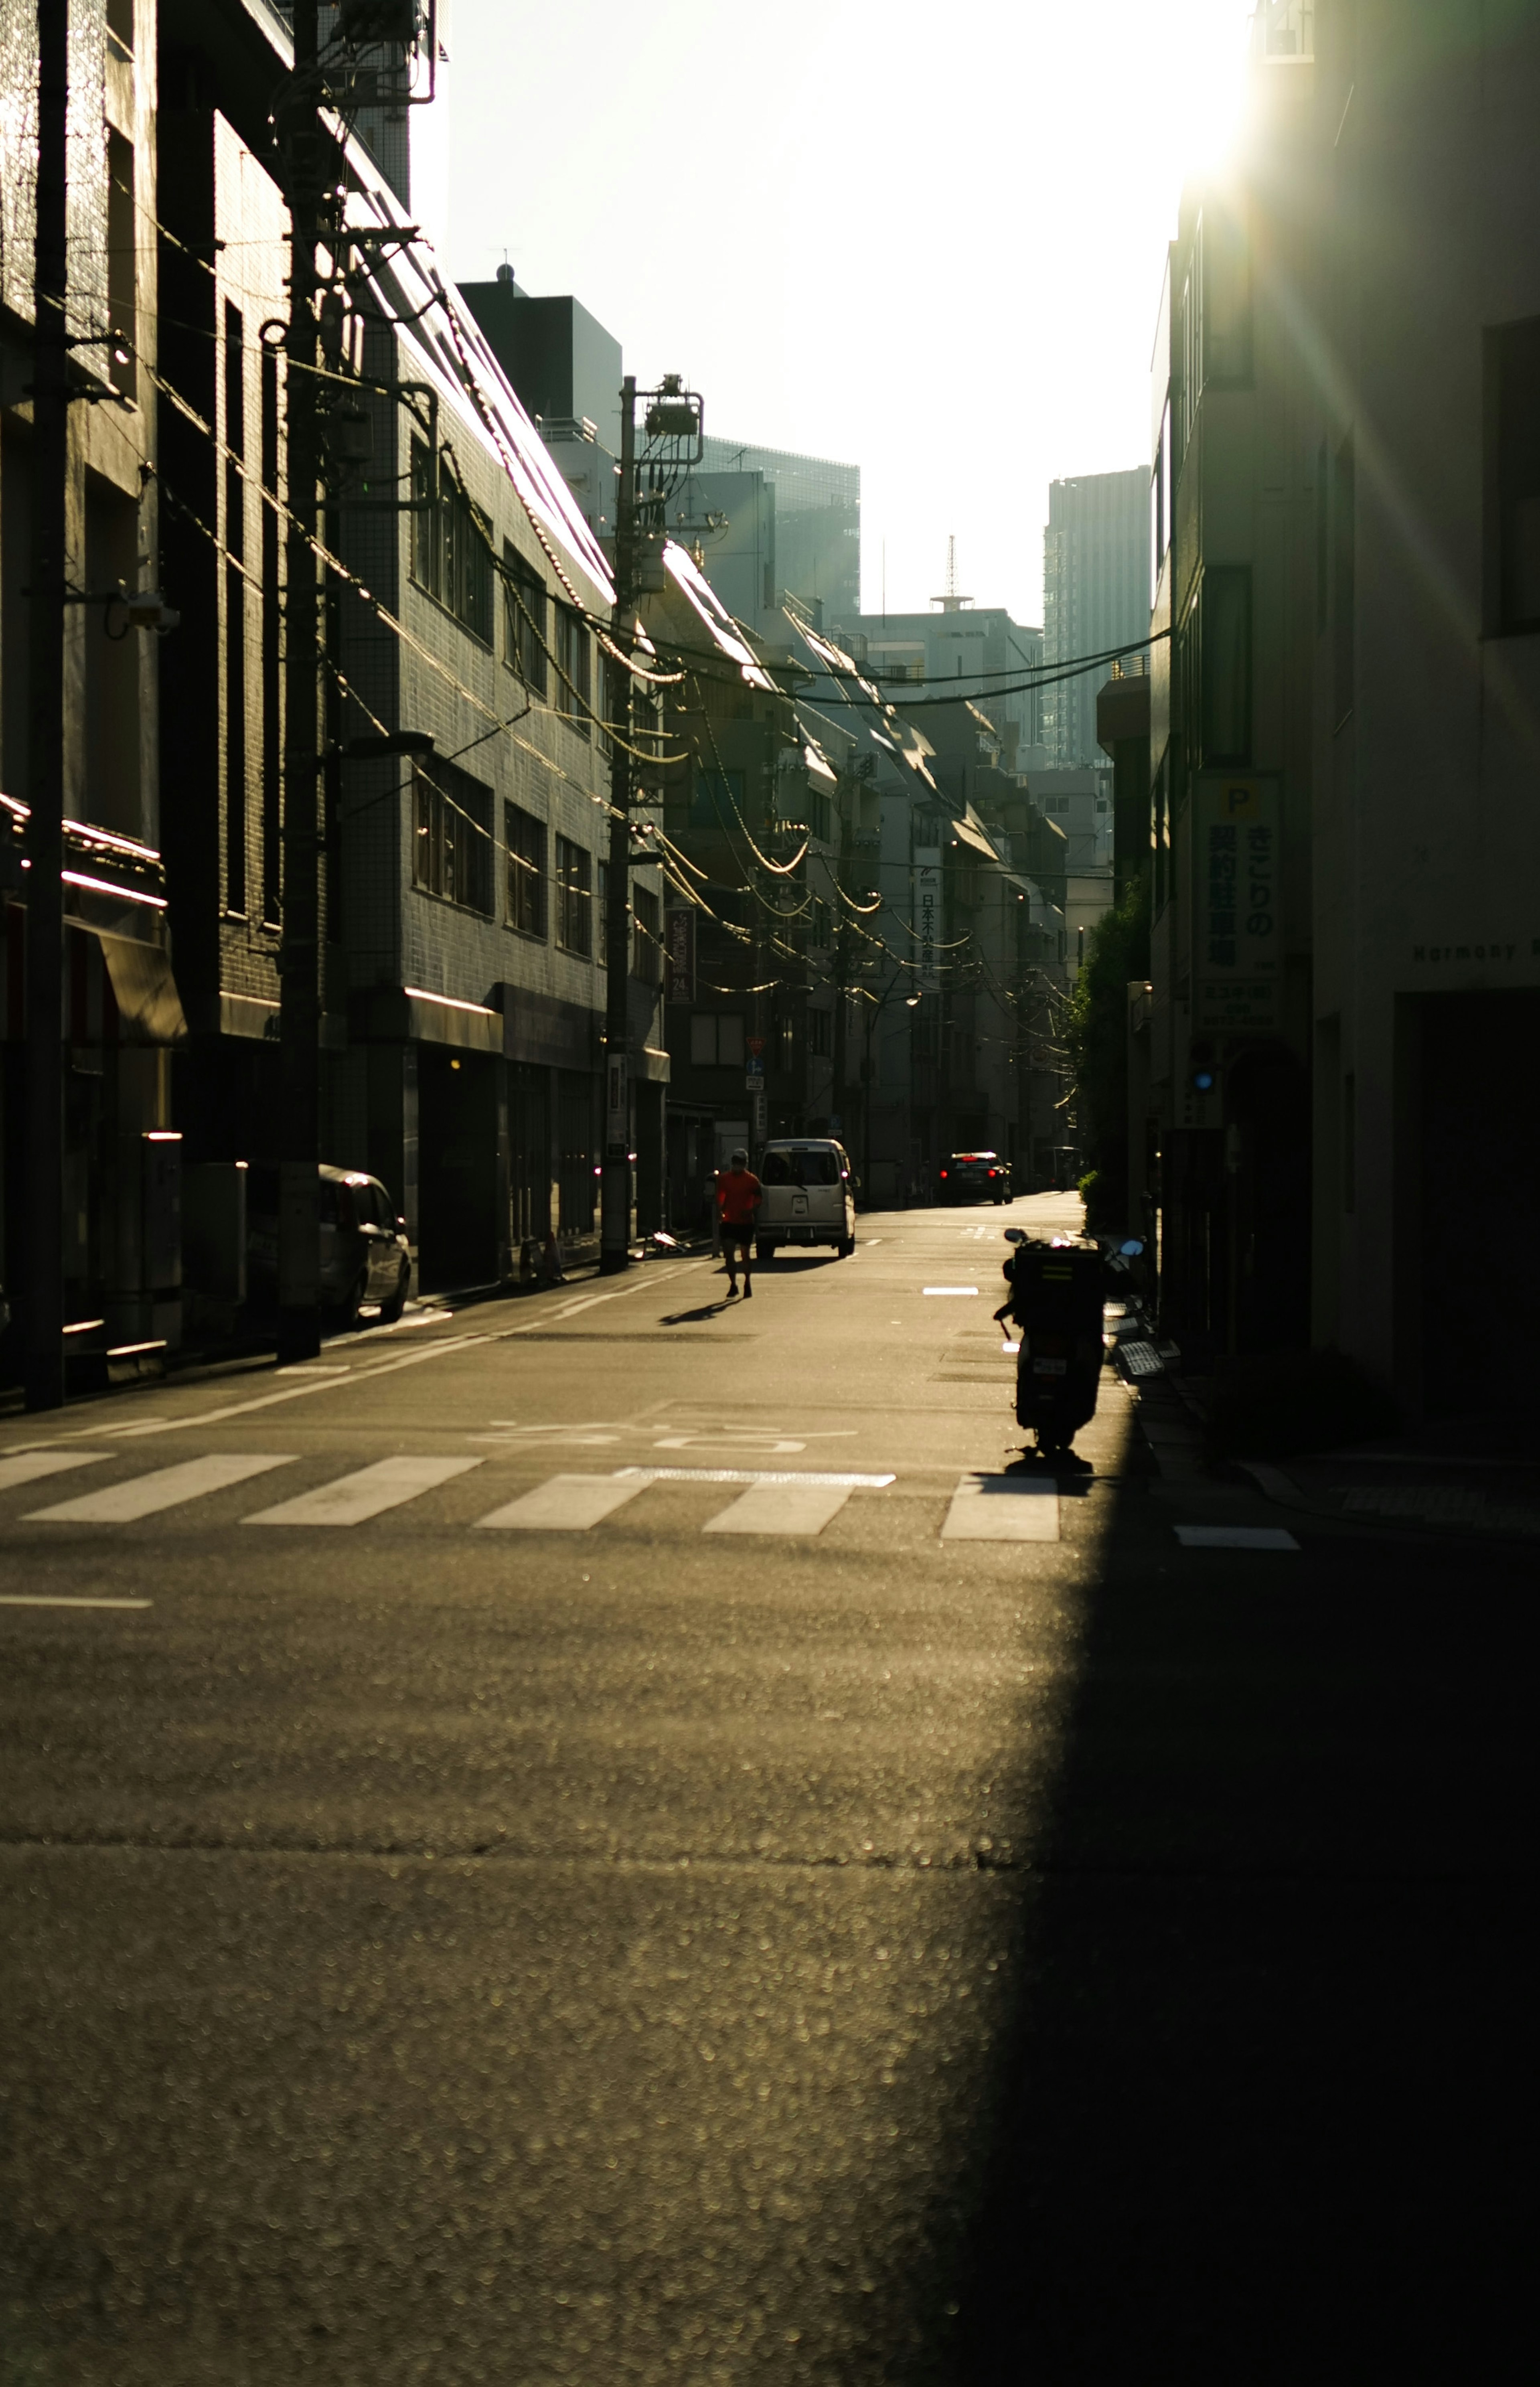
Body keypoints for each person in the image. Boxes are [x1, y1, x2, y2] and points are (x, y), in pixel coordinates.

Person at [716, 1147, 762, 1299]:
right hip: (729, 1221)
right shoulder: (724, 1180)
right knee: (729, 1254)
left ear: (745, 1163)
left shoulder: (752, 1181)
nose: (737, 1165)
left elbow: (759, 1200)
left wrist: (750, 1211)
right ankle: (733, 1284)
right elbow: (720, 1198)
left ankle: (747, 1282)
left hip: (745, 1223)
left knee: (745, 1255)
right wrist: (720, 1211)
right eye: (735, 1162)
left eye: (740, 1162)